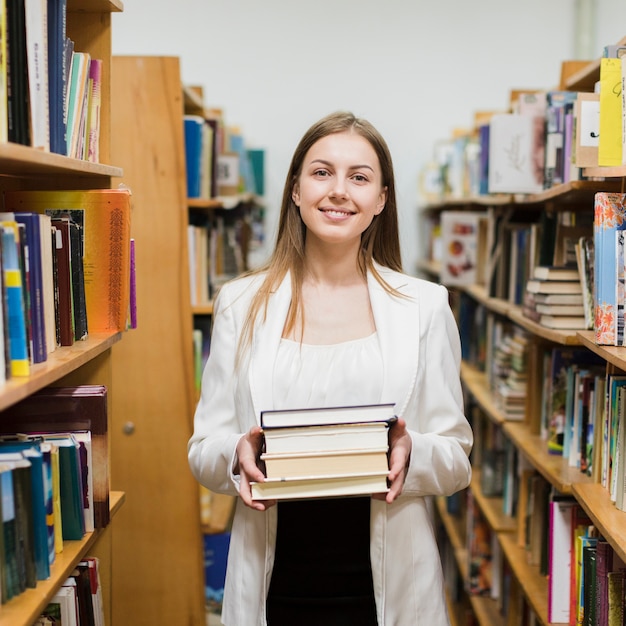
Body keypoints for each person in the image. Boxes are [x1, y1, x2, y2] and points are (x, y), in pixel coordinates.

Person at [188, 111, 473, 626]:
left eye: (359, 177)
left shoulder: (425, 307)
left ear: (381, 200)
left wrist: (413, 454)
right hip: (275, 587)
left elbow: (456, 458)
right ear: (295, 190)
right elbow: (203, 451)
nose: (338, 191)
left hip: (388, 592)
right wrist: (237, 454)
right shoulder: (240, 303)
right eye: (321, 172)